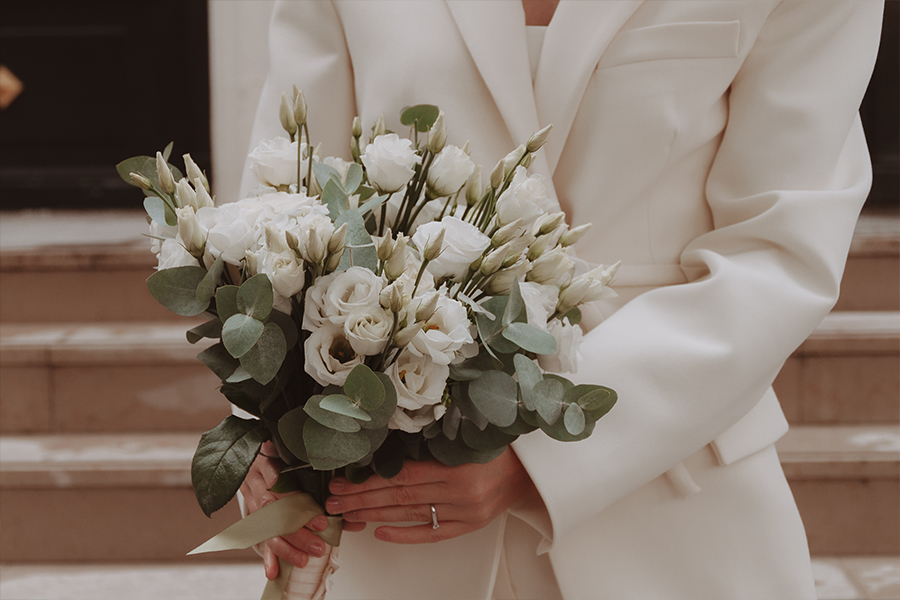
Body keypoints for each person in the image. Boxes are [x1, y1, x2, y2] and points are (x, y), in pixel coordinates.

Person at [238, 1, 884, 598]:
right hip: (393, 495)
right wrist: (267, 424)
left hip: (671, 496)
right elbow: (283, 202)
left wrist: (547, 458)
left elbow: (779, 251)